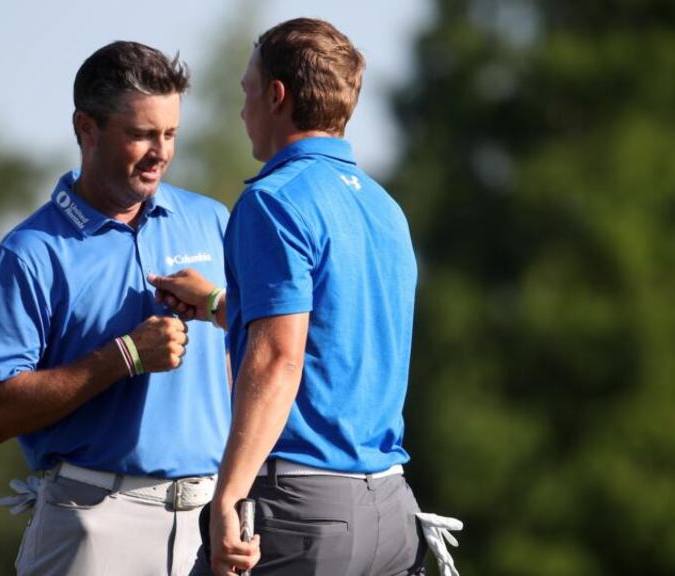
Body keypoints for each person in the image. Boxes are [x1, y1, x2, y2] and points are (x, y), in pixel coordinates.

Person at [153, 18, 452, 576]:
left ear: (276, 96)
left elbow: (277, 359)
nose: (243, 109)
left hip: (302, 513)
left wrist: (227, 497)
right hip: (391, 511)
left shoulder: (274, 201)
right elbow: (332, 330)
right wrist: (222, 306)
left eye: (246, 91)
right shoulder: (385, 208)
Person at [0, 41, 230, 576]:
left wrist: (223, 306)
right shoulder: (29, 253)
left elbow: (256, 358)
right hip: (94, 521)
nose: (161, 152)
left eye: (170, 134)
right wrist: (124, 357)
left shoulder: (213, 221)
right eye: (140, 134)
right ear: (86, 128)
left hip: (214, 519)